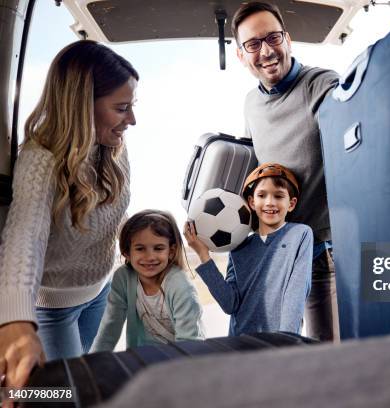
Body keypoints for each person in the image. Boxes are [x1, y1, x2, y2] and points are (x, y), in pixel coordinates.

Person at [0, 40, 137, 388]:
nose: (132, 120)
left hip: (98, 296)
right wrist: (15, 322)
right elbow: (24, 238)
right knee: (64, 396)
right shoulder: (40, 159)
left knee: (84, 383)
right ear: (81, 106)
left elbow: (107, 222)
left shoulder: (115, 149)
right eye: (122, 108)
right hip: (53, 310)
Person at [232, 1, 340, 341]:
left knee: (327, 355)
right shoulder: (251, 103)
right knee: (279, 348)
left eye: (273, 38)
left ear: (288, 39)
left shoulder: (322, 84)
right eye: (252, 44)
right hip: (277, 254)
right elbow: (258, 174)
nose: (266, 51)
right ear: (241, 55)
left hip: (323, 253)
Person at [184, 163, 312, 336]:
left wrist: (287, 340)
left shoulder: (300, 234)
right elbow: (230, 304)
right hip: (241, 343)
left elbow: (295, 295)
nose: (270, 202)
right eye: (262, 195)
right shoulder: (238, 248)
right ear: (252, 202)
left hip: (281, 344)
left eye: (279, 196)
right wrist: (203, 255)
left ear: (291, 203)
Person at [91, 210, 205, 352]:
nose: (150, 256)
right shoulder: (123, 278)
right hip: (142, 359)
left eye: (158, 248)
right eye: (140, 249)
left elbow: (189, 343)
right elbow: (109, 328)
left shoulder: (180, 286)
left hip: (182, 360)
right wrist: (94, 362)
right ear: (127, 252)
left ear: (171, 251)